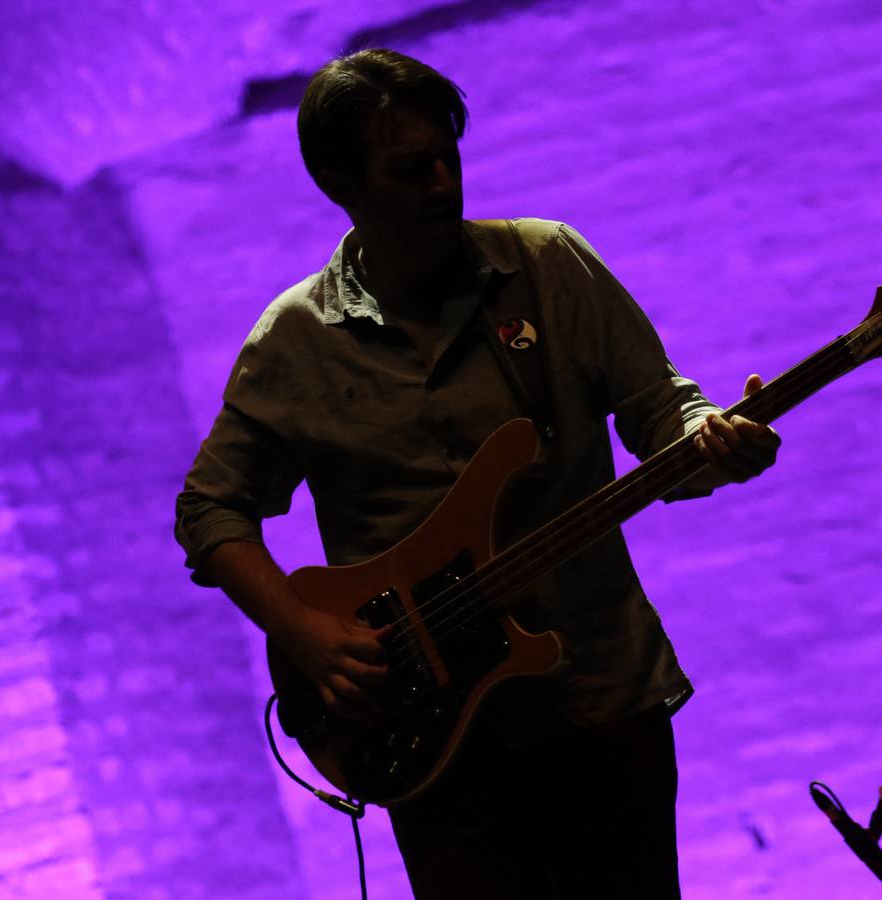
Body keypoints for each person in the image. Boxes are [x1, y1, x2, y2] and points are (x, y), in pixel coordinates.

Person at [175, 48, 780, 900]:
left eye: (447, 158)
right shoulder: (295, 342)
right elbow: (210, 511)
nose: (441, 186)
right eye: (408, 169)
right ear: (340, 185)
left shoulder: (547, 265)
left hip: (598, 694)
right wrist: (305, 635)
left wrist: (710, 440)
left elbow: (660, 414)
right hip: (428, 730)